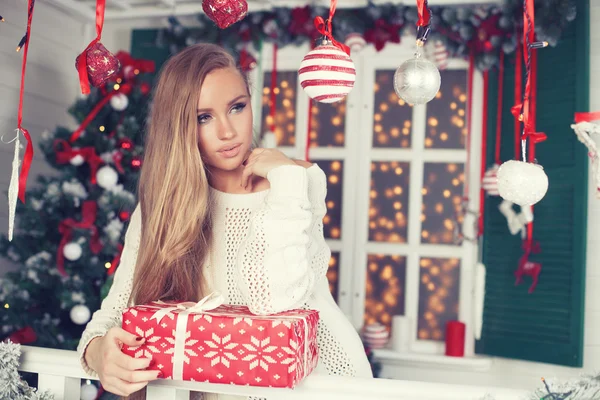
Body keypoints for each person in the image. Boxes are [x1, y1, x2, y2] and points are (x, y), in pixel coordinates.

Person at [77, 43, 372, 399]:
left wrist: (285, 179)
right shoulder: (162, 206)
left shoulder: (297, 181)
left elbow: (273, 301)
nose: (228, 131)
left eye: (237, 107)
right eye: (204, 117)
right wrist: (99, 353)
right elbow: (112, 314)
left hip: (321, 381)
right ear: (180, 127)